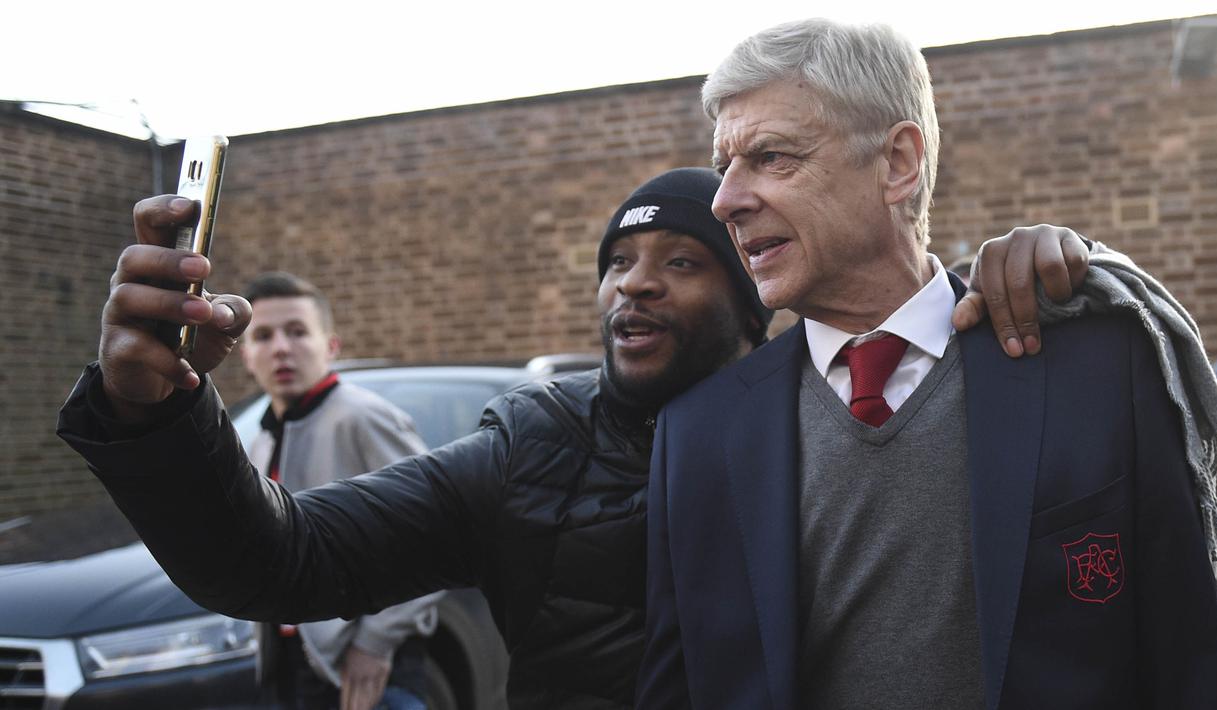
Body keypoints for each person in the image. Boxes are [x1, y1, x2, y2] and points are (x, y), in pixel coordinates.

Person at [57, 167, 1086, 709]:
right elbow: (275, 559)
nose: (634, 281)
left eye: (680, 259)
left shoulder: (832, 426)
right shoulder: (530, 449)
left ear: (749, 305)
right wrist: (156, 413)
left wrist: (1065, 281)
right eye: (619, 259)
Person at [636, 19, 1217, 710]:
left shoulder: (1097, 366)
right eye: (724, 167)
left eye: (770, 157)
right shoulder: (695, 434)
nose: (726, 200)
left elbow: (1192, 657)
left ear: (897, 163)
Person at [237, 271, 437, 710]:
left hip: (365, 666)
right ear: (247, 356)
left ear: (331, 346)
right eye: (264, 336)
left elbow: (437, 535)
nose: (282, 348)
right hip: (292, 664)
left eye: (297, 332)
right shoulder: (261, 439)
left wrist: (375, 643)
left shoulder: (362, 418)